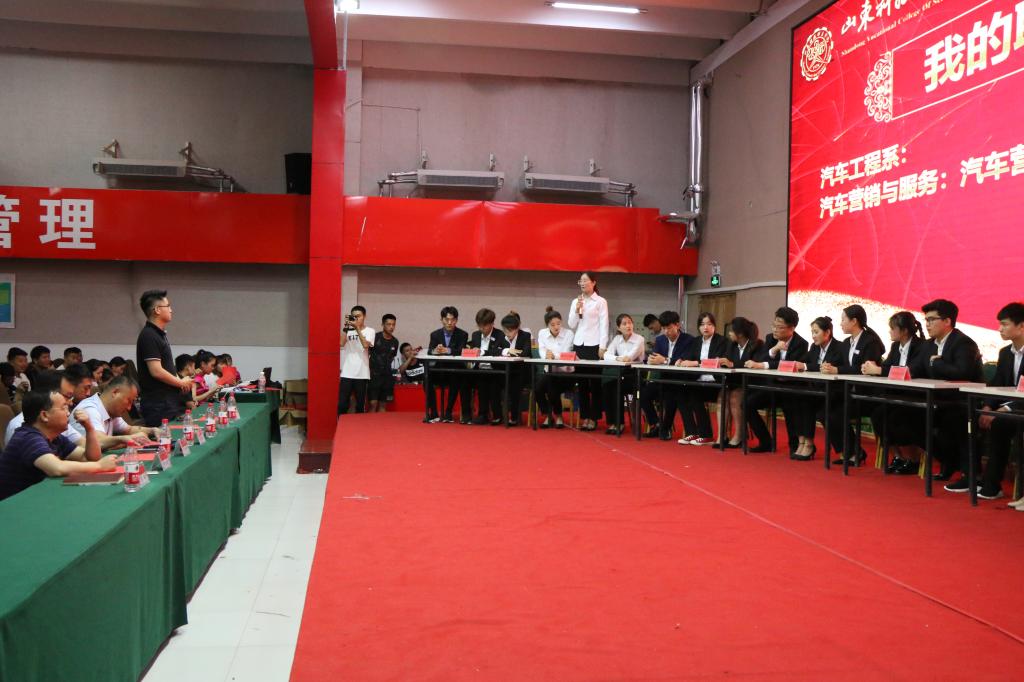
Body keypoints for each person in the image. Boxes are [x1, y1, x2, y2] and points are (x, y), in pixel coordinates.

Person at [0, 390, 117, 501]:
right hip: (11, 506)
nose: (68, 413)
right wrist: (99, 466)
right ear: (44, 415)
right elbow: (57, 468)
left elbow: (89, 457)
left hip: (36, 498)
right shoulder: (27, 437)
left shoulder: (55, 437)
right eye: (63, 408)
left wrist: (89, 428)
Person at [968, 303, 1024, 504]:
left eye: (1005, 324)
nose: (1000, 329)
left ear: (1021, 326)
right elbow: (997, 384)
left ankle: (997, 485)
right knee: (973, 419)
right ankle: (979, 480)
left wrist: (1005, 409)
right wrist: (988, 406)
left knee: (1000, 422)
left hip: (1018, 409)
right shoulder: (1005, 353)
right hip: (1010, 410)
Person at [862, 311, 930, 474]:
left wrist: (879, 370)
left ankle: (914, 459)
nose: (890, 331)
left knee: (899, 418)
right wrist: (873, 368)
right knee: (878, 415)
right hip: (897, 395)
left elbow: (911, 370)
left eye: (893, 328)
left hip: (917, 396)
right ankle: (898, 456)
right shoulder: (895, 346)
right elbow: (887, 367)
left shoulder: (922, 346)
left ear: (904, 330)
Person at [820, 304, 885, 465]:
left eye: (843, 319)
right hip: (850, 394)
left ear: (854, 321)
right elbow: (838, 363)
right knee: (823, 412)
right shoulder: (846, 343)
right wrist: (827, 366)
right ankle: (847, 451)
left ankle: (855, 452)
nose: (840, 323)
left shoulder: (870, 342)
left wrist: (837, 370)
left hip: (868, 395)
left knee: (836, 414)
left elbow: (865, 368)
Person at [743, 306, 809, 454]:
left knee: (790, 404)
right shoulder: (770, 338)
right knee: (746, 404)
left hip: (791, 388)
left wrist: (764, 364)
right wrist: (774, 349)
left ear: (792, 328)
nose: (775, 330)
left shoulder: (801, 343)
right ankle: (766, 441)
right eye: (774, 325)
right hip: (772, 387)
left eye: (780, 327)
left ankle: (794, 445)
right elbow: (761, 359)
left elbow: (788, 366)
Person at [135, 290, 192, 426]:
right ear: (157, 310)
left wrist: (180, 381)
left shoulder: (159, 334)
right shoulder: (149, 335)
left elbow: (168, 366)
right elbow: (156, 371)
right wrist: (181, 383)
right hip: (158, 404)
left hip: (168, 401)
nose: (171, 310)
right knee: (166, 438)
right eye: (168, 306)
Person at [5, 365, 94, 445]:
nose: (70, 402)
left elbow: (84, 447)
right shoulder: (20, 428)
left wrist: (89, 428)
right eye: (67, 397)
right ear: (48, 394)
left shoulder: (56, 420)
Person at [676, 312, 730, 446]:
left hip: (716, 382)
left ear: (714, 326)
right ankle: (692, 432)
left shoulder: (722, 341)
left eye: (709, 324)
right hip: (698, 380)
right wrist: (681, 360)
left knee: (695, 395)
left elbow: (716, 361)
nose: (705, 327)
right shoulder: (695, 341)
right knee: (680, 393)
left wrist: (695, 363)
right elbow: (688, 357)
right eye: (702, 324)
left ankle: (706, 435)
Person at [639, 310, 693, 439]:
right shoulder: (660, 340)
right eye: (663, 328)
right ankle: (657, 423)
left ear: (677, 325)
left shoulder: (688, 340)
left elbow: (683, 360)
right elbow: (654, 357)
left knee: (671, 396)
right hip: (662, 380)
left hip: (680, 381)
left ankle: (665, 429)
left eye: (669, 328)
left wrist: (665, 360)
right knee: (642, 394)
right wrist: (651, 360)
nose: (666, 331)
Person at [567, 272, 609, 432]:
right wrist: (577, 309)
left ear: (593, 282)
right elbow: (571, 324)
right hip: (579, 344)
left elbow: (604, 324)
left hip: (595, 345)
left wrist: (603, 346)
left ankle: (594, 417)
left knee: (595, 383)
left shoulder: (601, 301)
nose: (582, 283)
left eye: (585, 281)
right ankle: (585, 417)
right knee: (582, 383)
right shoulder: (576, 301)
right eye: (580, 281)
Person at [71, 375, 157, 445]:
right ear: (115, 392)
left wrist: (153, 430)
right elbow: (98, 441)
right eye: (129, 401)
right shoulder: (90, 409)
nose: (129, 408)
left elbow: (128, 429)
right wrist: (124, 439)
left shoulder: (110, 410)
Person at [718, 317, 762, 448]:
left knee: (735, 396)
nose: (729, 334)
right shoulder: (731, 345)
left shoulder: (757, 345)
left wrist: (732, 364)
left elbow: (752, 365)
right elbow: (726, 361)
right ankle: (722, 435)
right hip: (734, 382)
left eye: (732, 331)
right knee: (722, 395)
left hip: (752, 383)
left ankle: (739, 435)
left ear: (740, 333)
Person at [602, 313, 645, 434]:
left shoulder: (639, 339)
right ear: (618, 328)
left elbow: (630, 357)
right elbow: (606, 355)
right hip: (621, 373)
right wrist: (617, 358)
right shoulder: (617, 339)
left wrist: (620, 358)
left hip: (635, 375)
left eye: (630, 323)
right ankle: (613, 422)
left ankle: (619, 423)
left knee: (616, 387)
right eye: (624, 324)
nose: (628, 326)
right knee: (607, 385)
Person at [425, 306, 469, 423]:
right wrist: (436, 351)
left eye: (452, 320)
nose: (449, 322)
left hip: (454, 370)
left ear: (456, 320)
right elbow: (430, 350)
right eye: (447, 319)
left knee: (457, 376)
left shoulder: (463, 334)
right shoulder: (435, 334)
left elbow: (461, 350)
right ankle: (433, 412)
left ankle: (448, 412)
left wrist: (447, 350)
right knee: (426, 379)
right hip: (439, 370)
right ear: (442, 320)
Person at [535, 307, 575, 429]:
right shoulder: (542, 333)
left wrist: (553, 356)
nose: (556, 327)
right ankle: (547, 414)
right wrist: (546, 356)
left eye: (558, 323)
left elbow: (566, 353)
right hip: (549, 371)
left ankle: (558, 415)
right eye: (552, 325)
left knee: (552, 387)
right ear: (547, 325)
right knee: (537, 389)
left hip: (566, 373)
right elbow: (542, 350)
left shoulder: (569, 334)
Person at [467, 308, 505, 425]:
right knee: (479, 381)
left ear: (492, 323)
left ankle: (497, 415)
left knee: (493, 383)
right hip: (479, 369)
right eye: (479, 325)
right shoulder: (475, 335)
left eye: (484, 325)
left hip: (496, 369)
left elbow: (500, 352)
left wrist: (483, 352)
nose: (481, 328)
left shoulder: (500, 335)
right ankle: (483, 414)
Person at [496, 311, 533, 426]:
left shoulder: (525, 336)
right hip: (506, 371)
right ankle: (498, 416)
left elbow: (526, 352)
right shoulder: (502, 336)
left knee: (515, 385)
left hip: (522, 371)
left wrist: (509, 353)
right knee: (493, 381)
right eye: (505, 330)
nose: (507, 333)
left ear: (517, 328)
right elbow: (493, 350)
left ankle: (514, 417)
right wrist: (506, 351)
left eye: (510, 331)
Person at [338, 305, 375, 415]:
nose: (356, 318)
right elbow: (341, 343)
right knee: (342, 404)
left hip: (362, 373)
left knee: (360, 405)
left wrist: (357, 328)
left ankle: (360, 425)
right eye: (354, 317)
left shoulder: (370, 331)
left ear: (364, 316)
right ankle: (341, 424)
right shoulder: (348, 331)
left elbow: (365, 345)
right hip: (347, 372)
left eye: (358, 316)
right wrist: (346, 327)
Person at [369, 314, 400, 413]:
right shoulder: (375, 337)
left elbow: (392, 357)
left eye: (393, 324)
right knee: (373, 403)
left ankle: (381, 423)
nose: (391, 327)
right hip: (374, 376)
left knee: (383, 404)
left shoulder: (395, 341)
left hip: (387, 377)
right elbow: (367, 353)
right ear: (383, 324)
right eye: (388, 324)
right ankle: (370, 422)